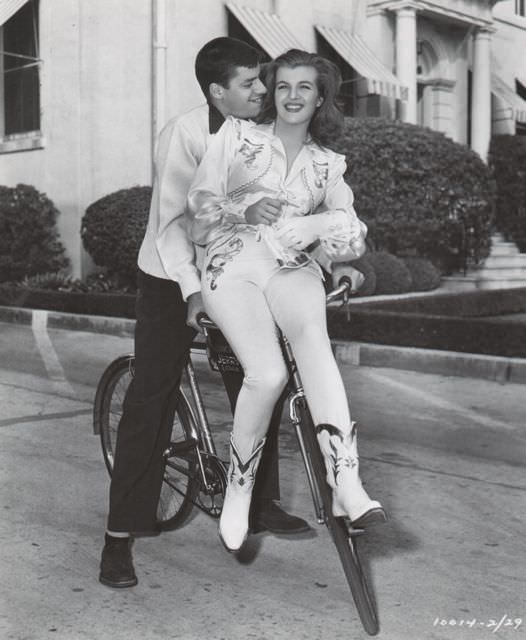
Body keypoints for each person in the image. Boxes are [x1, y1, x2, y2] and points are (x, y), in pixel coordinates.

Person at [99, 38, 309, 590]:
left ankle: (259, 502)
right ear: (218, 92)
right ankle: (118, 538)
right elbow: (171, 225)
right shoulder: (185, 134)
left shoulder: (261, 133)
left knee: (259, 377)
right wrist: (193, 291)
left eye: (262, 79)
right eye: (250, 83)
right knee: (152, 396)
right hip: (171, 275)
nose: (263, 90)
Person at [187, 49, 386, 553]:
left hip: (291, 269)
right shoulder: (236, 136)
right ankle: (240, 488)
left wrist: (319, 227)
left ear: (321, 98)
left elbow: (352, 239)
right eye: (283, 86)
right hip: (232, 264)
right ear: (272, 93)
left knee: (315, 345)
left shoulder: (327, 165)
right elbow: (197, 217)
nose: (293, 96)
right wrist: (244, 207)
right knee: (269, 374)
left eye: (305, 87)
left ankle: (345, 481)